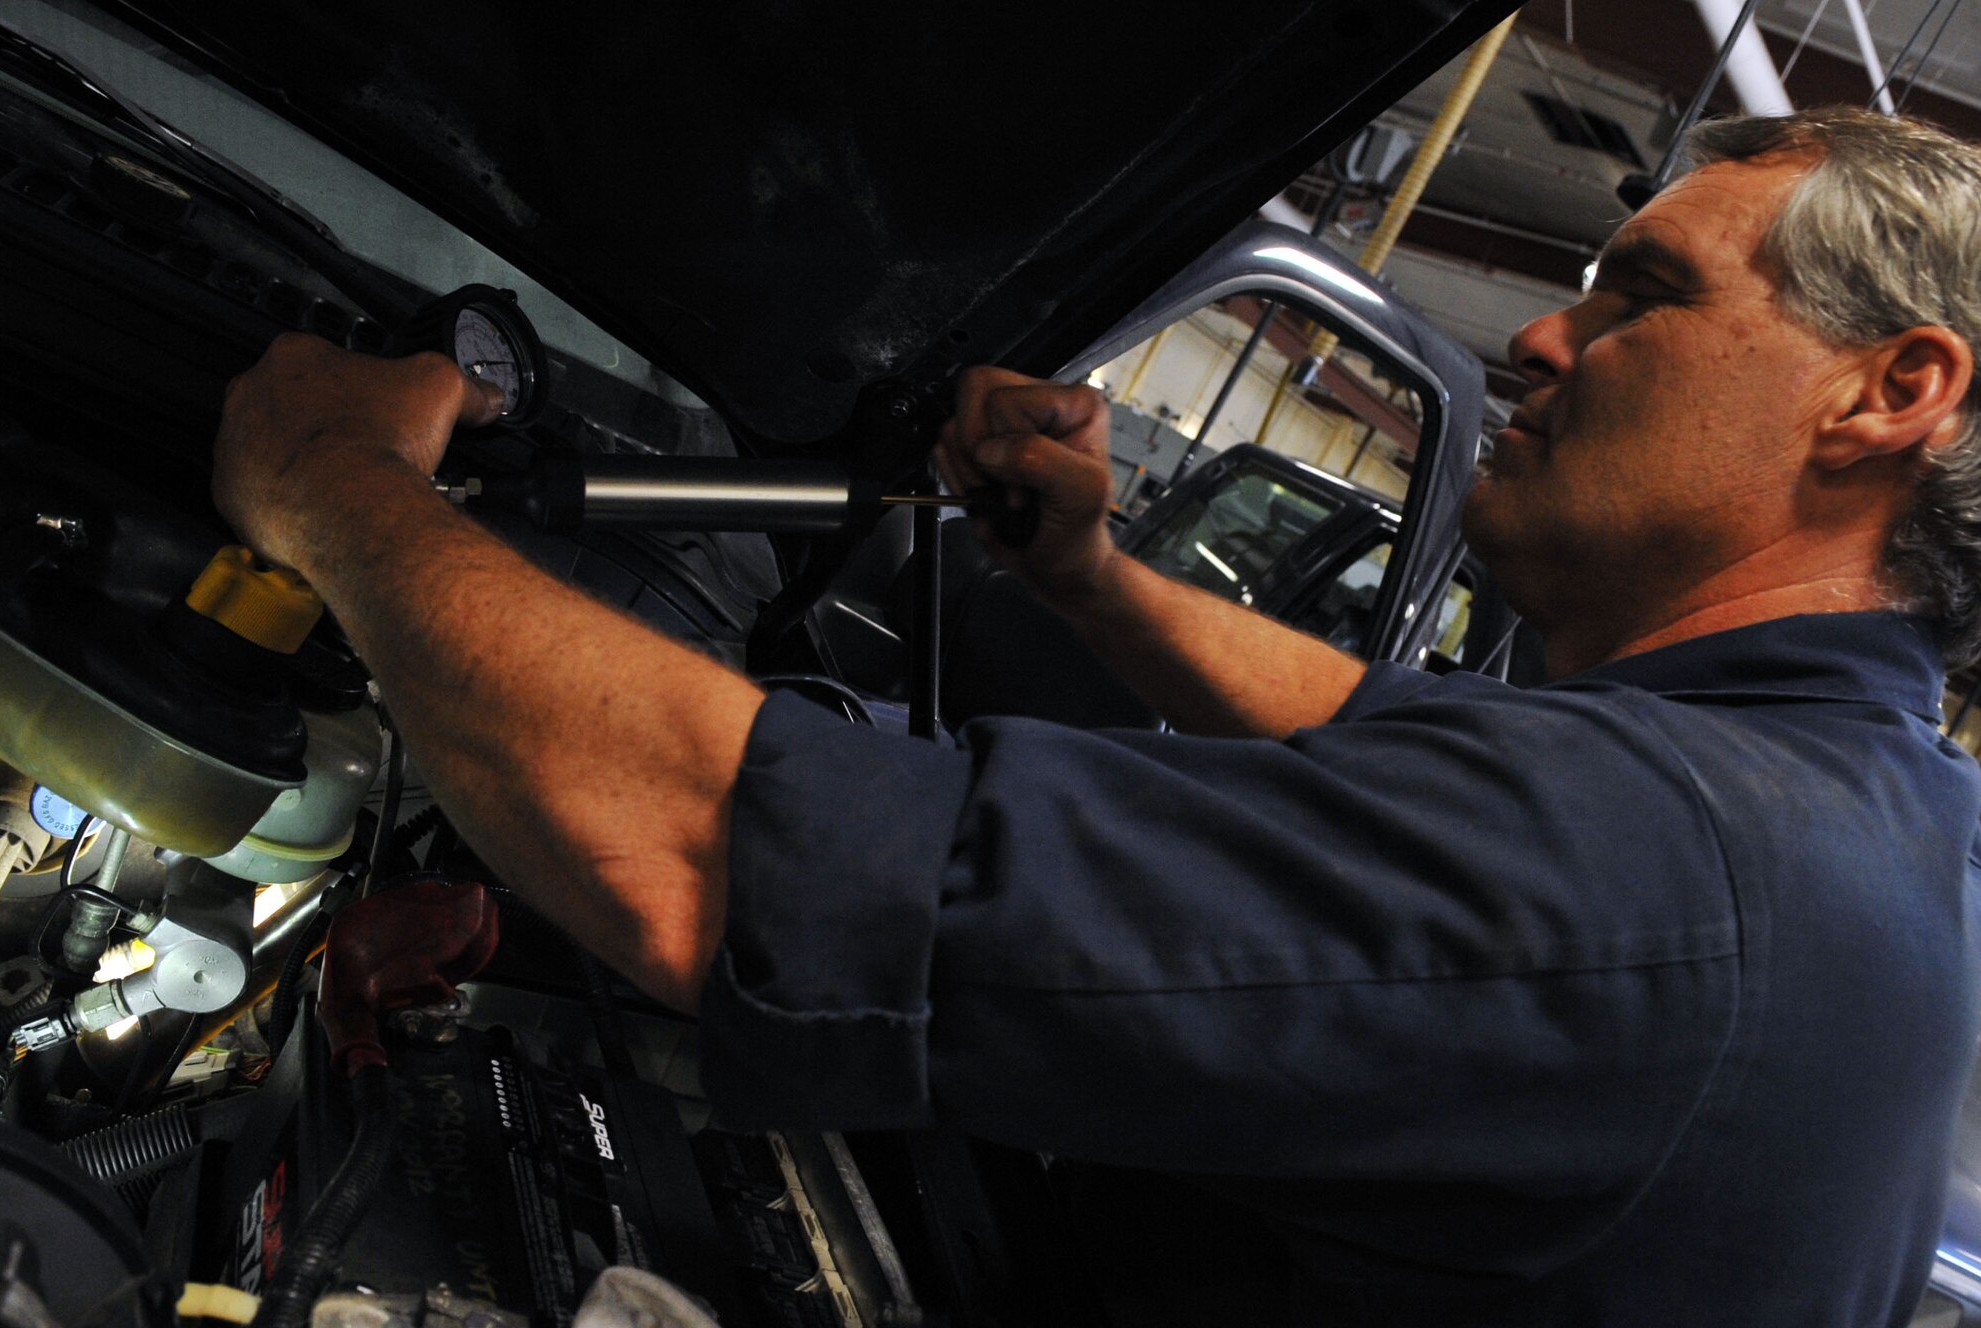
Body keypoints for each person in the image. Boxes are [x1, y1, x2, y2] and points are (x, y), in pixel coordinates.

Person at [213, 107, 1981, 1325]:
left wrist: (334, 482)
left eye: (1645, 296)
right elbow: (1380, 735)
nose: (1536, 334)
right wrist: (1089, 577)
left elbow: (705, 856)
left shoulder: (1660, 872)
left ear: (1889, 392)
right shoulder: (1844, 811)